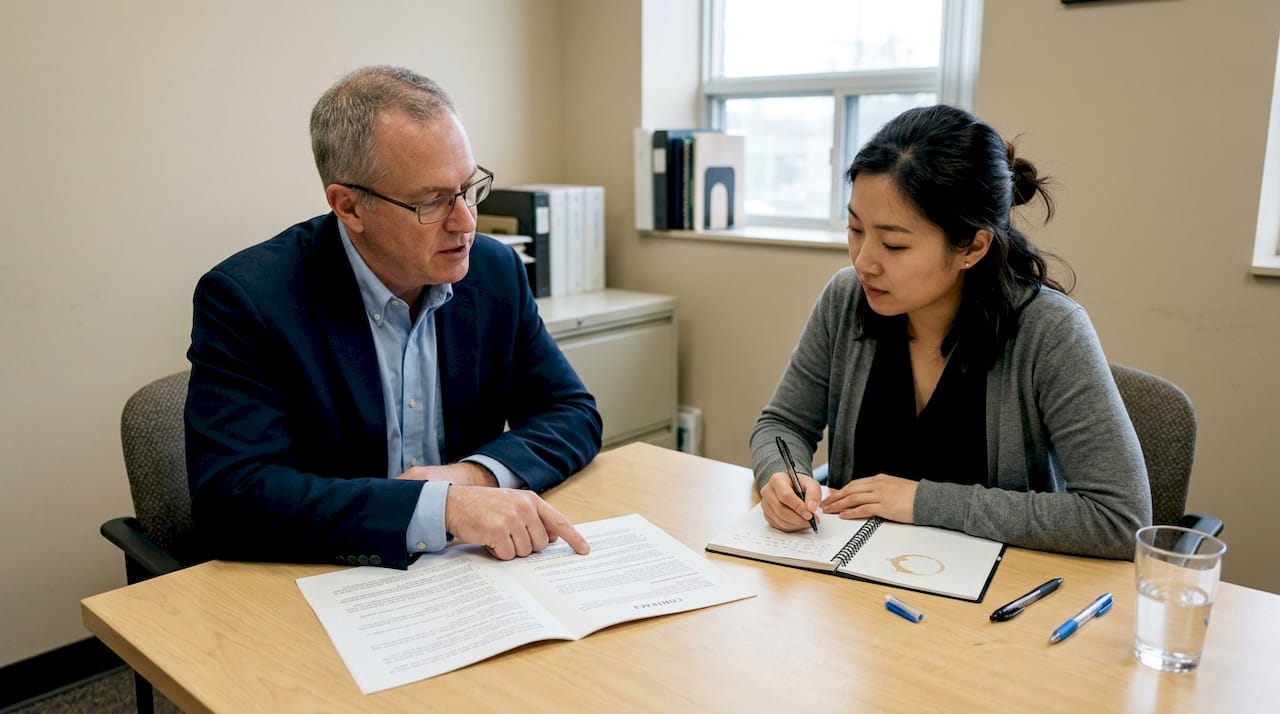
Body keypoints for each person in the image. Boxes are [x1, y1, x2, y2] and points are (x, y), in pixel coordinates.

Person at [185, 66, 601, 569]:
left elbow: (572, 413)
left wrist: (474, 478)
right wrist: (438, 507)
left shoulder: (495, 272)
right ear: (349, 207)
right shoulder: (248, 298)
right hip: (324, 578)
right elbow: (233, 495)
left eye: (469, 188)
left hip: (469, 571)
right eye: (432, 201)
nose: (466, 222)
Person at [750, 104, 1151, 560]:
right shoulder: (848, 299)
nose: (863, 261)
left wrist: (924, 502)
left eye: (894, 244)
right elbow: (782, 424)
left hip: (992, 602)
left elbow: (1120, 518)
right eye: (855, 229)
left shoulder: (1050, 331)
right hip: (852, 584)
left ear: (973, 247)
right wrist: (781, 476)